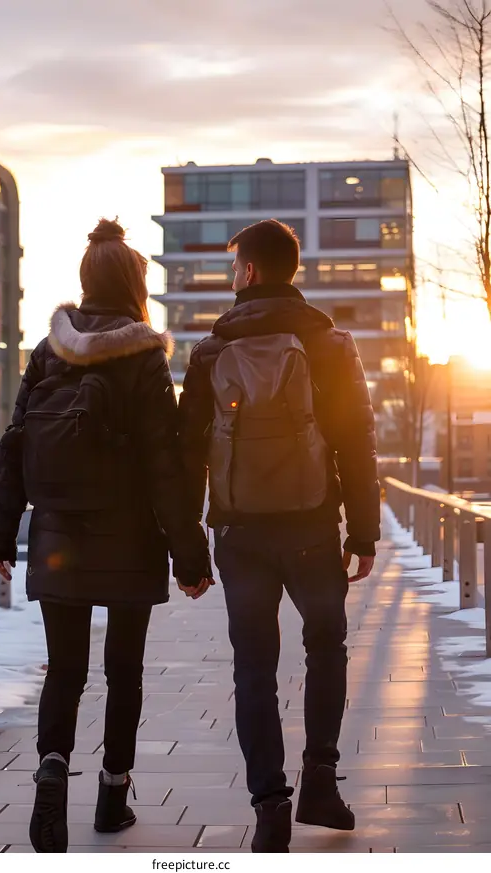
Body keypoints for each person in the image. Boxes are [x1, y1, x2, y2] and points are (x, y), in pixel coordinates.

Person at [0, 219, 213, 853]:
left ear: (86, 279)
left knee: (65, 670)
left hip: (57, 534)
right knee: (124, 671)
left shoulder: (47, 350)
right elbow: (165, 464)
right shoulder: (143, 357)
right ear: (136, 283)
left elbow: (16, 445)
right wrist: (190, 555)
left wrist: (0, 532)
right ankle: (113, 795)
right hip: (130, 538)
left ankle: (52, 770)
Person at [178, 219, 380, 853]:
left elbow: (186, 457)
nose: (235, 274)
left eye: (237, 265)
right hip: (312, 524)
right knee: (325, 646)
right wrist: (365, 532)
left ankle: (270, 806)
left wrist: (187, 549)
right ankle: (320, 780)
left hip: (239, 533)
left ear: (254, 272)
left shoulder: (210, 352)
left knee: (254, 667)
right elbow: (357, 443)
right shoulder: (330, 344)